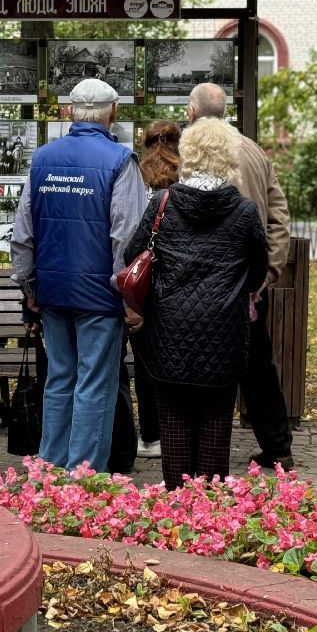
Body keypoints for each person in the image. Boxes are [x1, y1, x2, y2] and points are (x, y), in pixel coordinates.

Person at [125, 118, 267, 489]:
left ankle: (176, 505)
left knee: (172, 424)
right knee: (216, 426)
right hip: (223, 337)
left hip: (166, 335)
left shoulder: (163, 203)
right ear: (228, 158)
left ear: (188, 154)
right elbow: (257, 272)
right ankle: (208, 516)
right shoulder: (245, 211)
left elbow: (132, 253)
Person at [10, 77, 143, 472]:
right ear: (113, 113)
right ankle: (82, 478)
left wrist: (28, 286)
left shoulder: (44, 159)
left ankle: (48, 469)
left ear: (70, 112)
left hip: (53, 292)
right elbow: (127, 237)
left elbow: (23, 233)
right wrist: (128, 298)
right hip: (100, 296)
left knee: (60, 379)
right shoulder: (121, 160)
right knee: (94, 386)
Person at [185, 83, 294, 470]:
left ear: (192, 112)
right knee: (257, 364)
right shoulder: (254, 151)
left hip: (198, 285)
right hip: (248, 284)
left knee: (200, 363)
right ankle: (278, 445)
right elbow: (279, 218)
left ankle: (197, 450)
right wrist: (268, 273)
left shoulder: (193, 150)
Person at [128, 119, 181, 460]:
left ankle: (149, 435)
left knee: (144, 362)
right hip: (173, 282)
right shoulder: (184, 175)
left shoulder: (136, 175)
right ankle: (171, 430)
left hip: (141, 282)